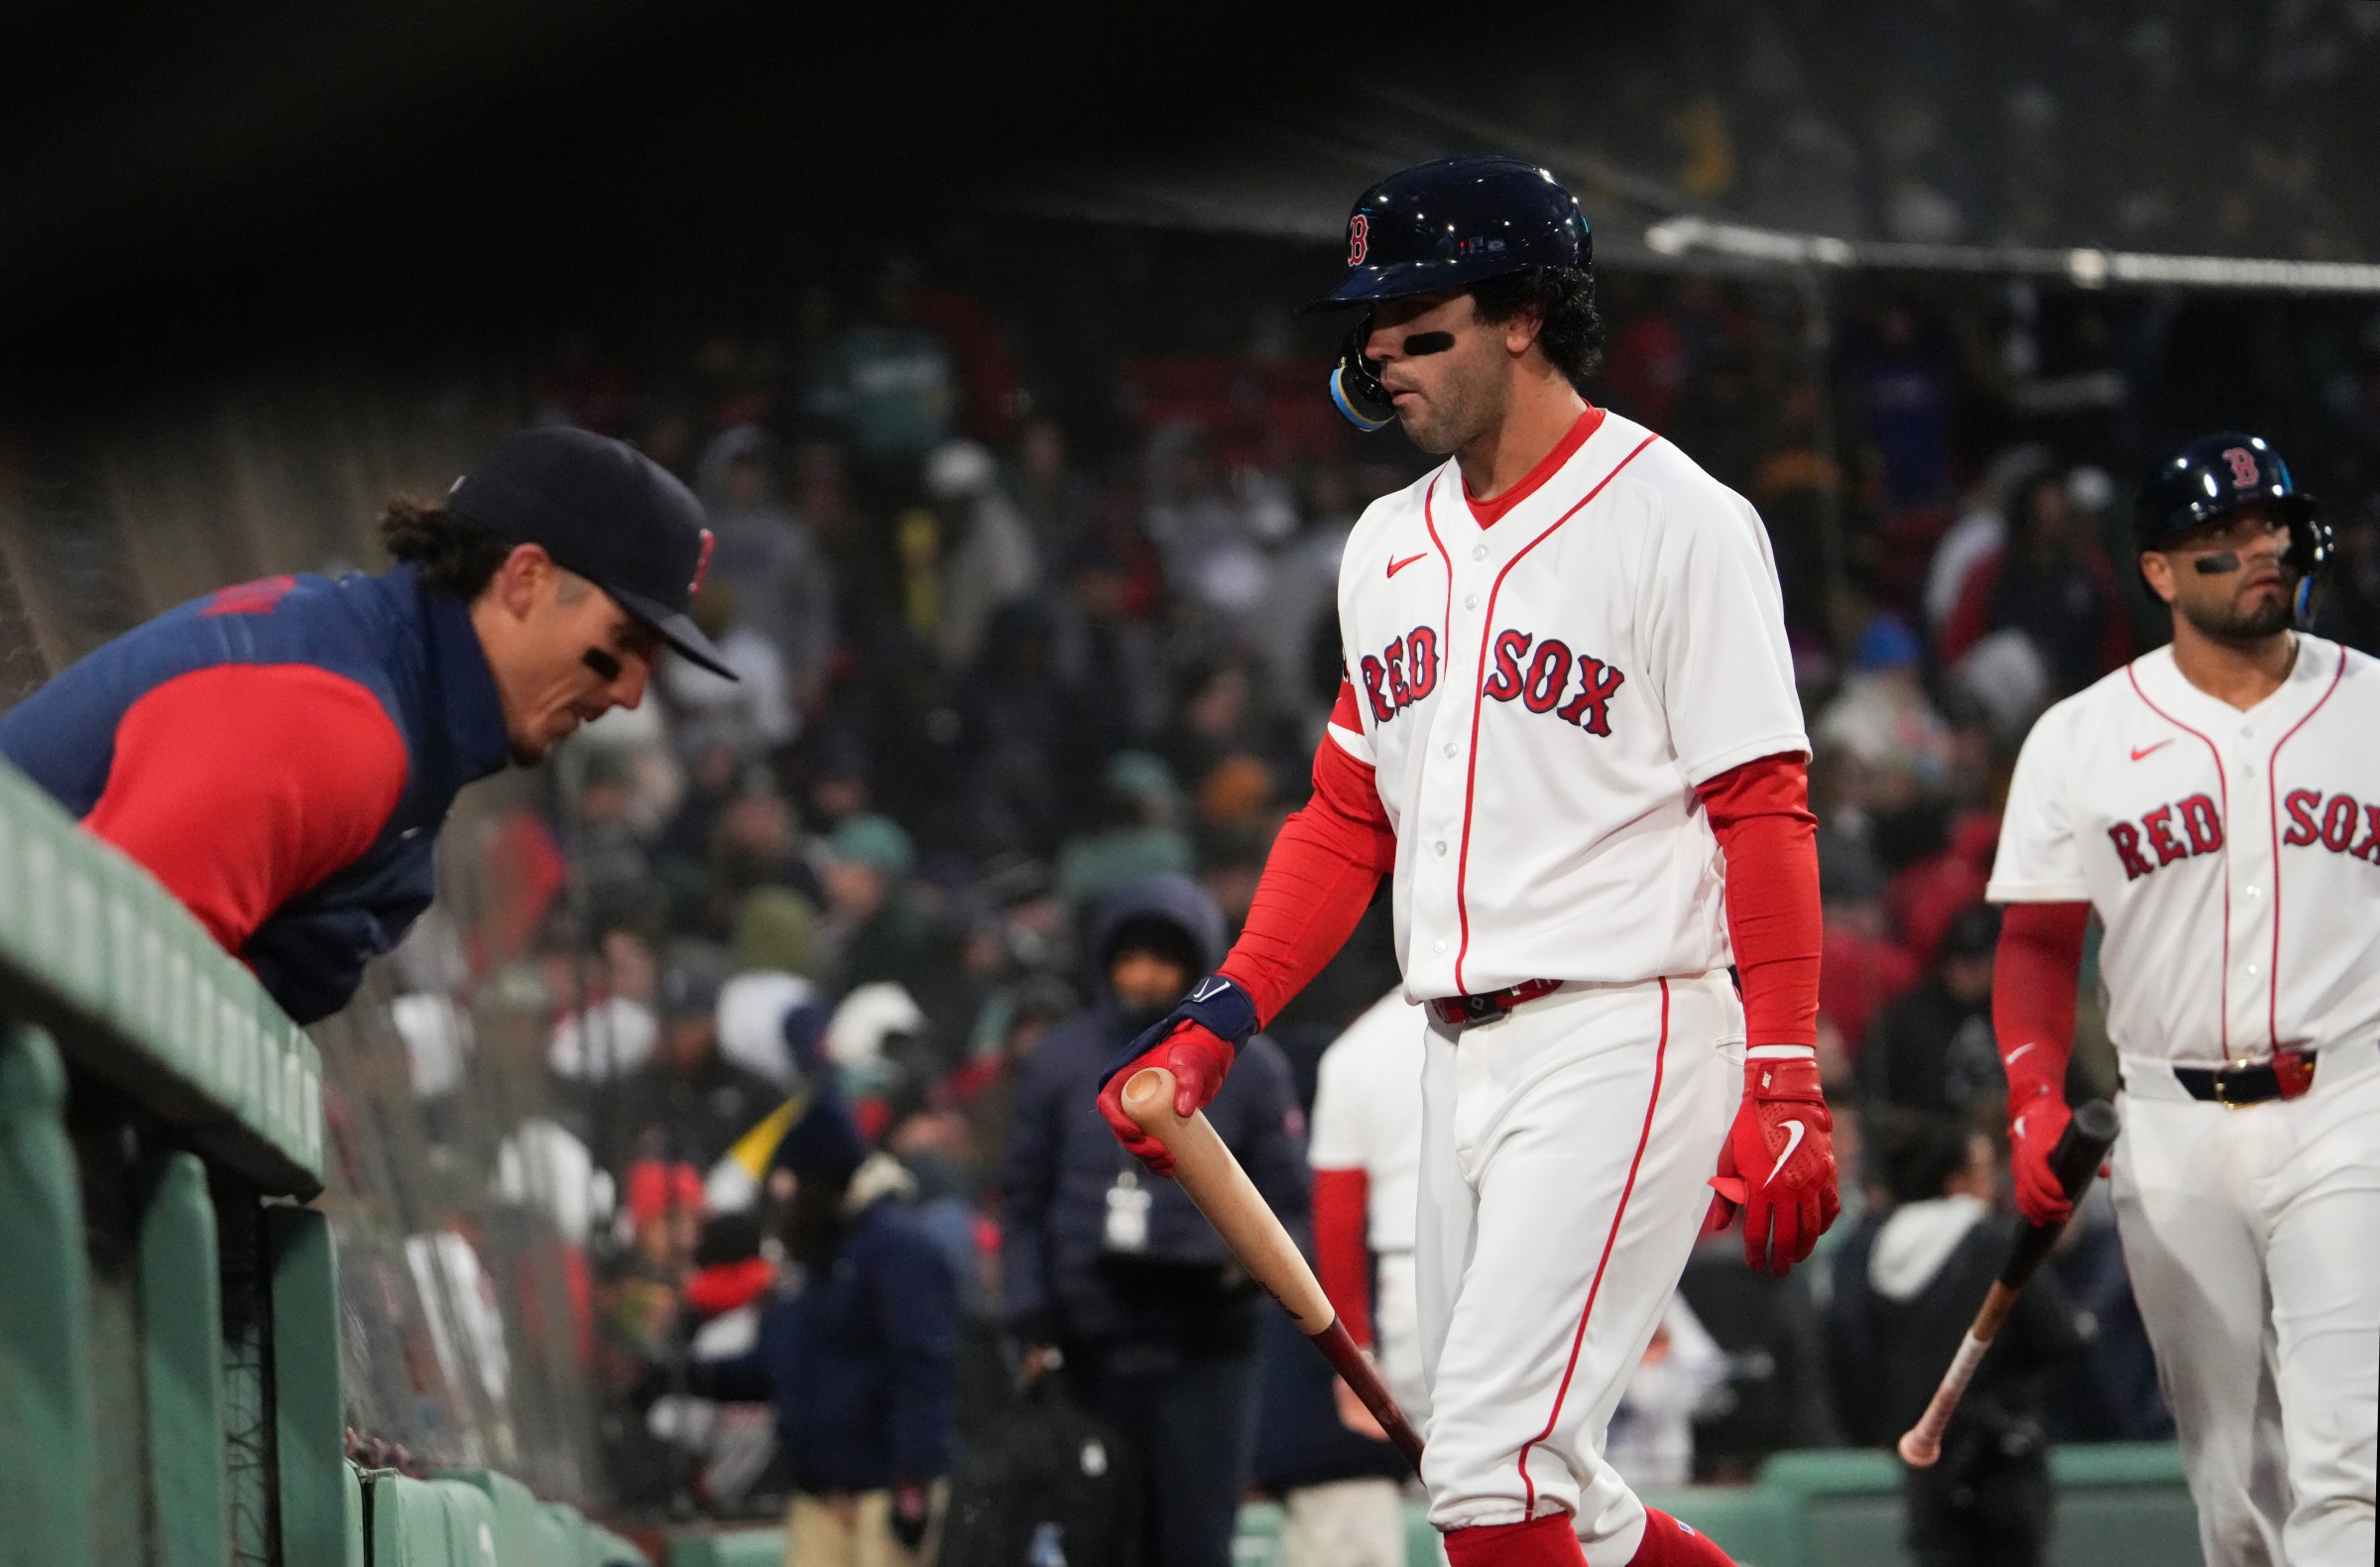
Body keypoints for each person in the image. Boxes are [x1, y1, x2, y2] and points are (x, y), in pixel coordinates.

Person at [1096, 158, 1836, 1567]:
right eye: (1367, 329)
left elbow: (1764, 804)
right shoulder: (1386, 542)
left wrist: (1785, 1066)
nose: (1380, 354)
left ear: (1526, 317)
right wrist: (1223, 1014)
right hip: (1452, 1048)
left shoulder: (1678, 516)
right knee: (1554, 1492)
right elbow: (1340, 818)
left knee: (1491, 1475)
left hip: (1626, 1020)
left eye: (1415, 322)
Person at [1986, 431, 2378, 1567]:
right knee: (2231, 1487)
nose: (2260, 548)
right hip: (2169, 1126)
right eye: (2222, 536)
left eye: (2270, 526)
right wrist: (2029, 1099)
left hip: (2348, 1100)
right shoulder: (2081, 736)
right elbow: (2039, 946)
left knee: (2342, 1464)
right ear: (2158, 569)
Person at [0, 426, 735, 1023]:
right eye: (624, 644)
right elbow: (107, 993)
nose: (633, 694)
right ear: (525, 581)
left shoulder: (388, 681)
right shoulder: (337, 722)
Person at [999, 874, 1310, 1567]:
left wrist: (1242, 1274)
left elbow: (1291, 1206)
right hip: (1089, 1351)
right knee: (1098, 1542)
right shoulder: (1060, 1062)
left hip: (1210, 1352)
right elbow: (1021, 1201)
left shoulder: (1252, 1070)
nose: (1144, 976)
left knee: (1198, 1546)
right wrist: (1030, 1316)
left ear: (1195, 965)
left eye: (1163, 959)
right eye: (1130, 958)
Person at [1860, 1120, 2088, 1567]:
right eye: (1983, 1171)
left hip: (1923, 1463)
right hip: (2000, 1463)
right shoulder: (1996, 1243)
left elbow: (1854, 1350)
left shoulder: (1873, 1249)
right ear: (1955, 1181)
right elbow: (2061, 1337)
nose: (1993, 1184)